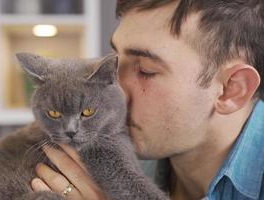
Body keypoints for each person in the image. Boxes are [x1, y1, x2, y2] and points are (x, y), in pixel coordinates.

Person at [30, 0, 264, 199]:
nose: (113, 91)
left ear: (231, 89)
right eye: (115, 63)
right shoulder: (102, 154)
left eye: (145, 70)